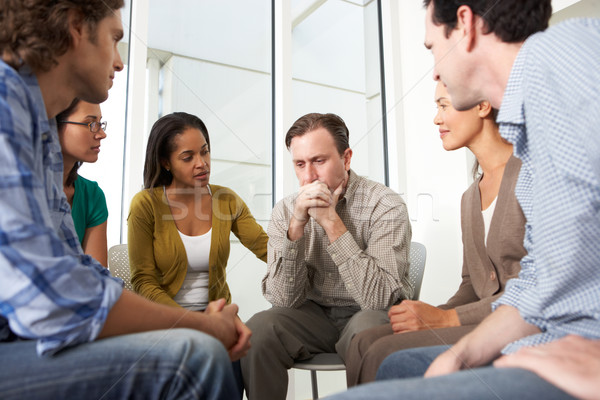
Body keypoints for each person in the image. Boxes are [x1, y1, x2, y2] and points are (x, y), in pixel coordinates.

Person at [328, 0, 600, 398]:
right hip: (548, 342)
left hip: (576, 347)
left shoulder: (566, 57)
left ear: (464, 24)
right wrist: (459, 356)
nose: (436, 69)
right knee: (402, 364)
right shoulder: (532, 133)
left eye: (432, 48)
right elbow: (540, 280)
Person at [0, 1, 249, 399]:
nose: (119, 61)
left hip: (22, 334)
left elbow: (76, 266)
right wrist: (196, 324)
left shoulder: (39, 126)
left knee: (203, 347)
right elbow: (54, 297)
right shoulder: (4, 100)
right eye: (115, 39)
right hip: (15, 338)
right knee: (193, 356)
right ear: (76, 26)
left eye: (204, 152)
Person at [345, 81, 525, 386]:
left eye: (443, 105)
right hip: (477, 317)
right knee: (362, 342)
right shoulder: (470, 197)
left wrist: (445, 320)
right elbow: (472, 284)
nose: (436, 118)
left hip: (514, 322)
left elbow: (539, 287)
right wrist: (428, 313)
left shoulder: (529, 175)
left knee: (383, 353)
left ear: (482, 106)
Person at [241, 112, 412, 399]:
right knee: (257, 330)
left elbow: (379, 299)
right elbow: (283, 301)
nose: (308, 176)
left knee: (366, 332)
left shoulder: (385, 204)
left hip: (370, 313)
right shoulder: (285, 211)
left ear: (346, 158)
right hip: (314, 315)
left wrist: (332, 223)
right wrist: (295, 228)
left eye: (319, 161)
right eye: (300, 164)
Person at [128, 111, 269, 311]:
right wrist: (196, 322)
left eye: (205, 151)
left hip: (217, 316)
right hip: (164, 320)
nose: (202, 163)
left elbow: (266, 249)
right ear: (165, 162)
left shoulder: (226, 200)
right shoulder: (145, 204)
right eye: (188, 157)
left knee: (260, 340)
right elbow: (143, 281)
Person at [57, 99, 109, 266]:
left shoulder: (92, 195)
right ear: (53, 126)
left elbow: (96, 278)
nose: (101, 133)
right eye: (90, 123)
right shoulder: (21, 190)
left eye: (100, 124)